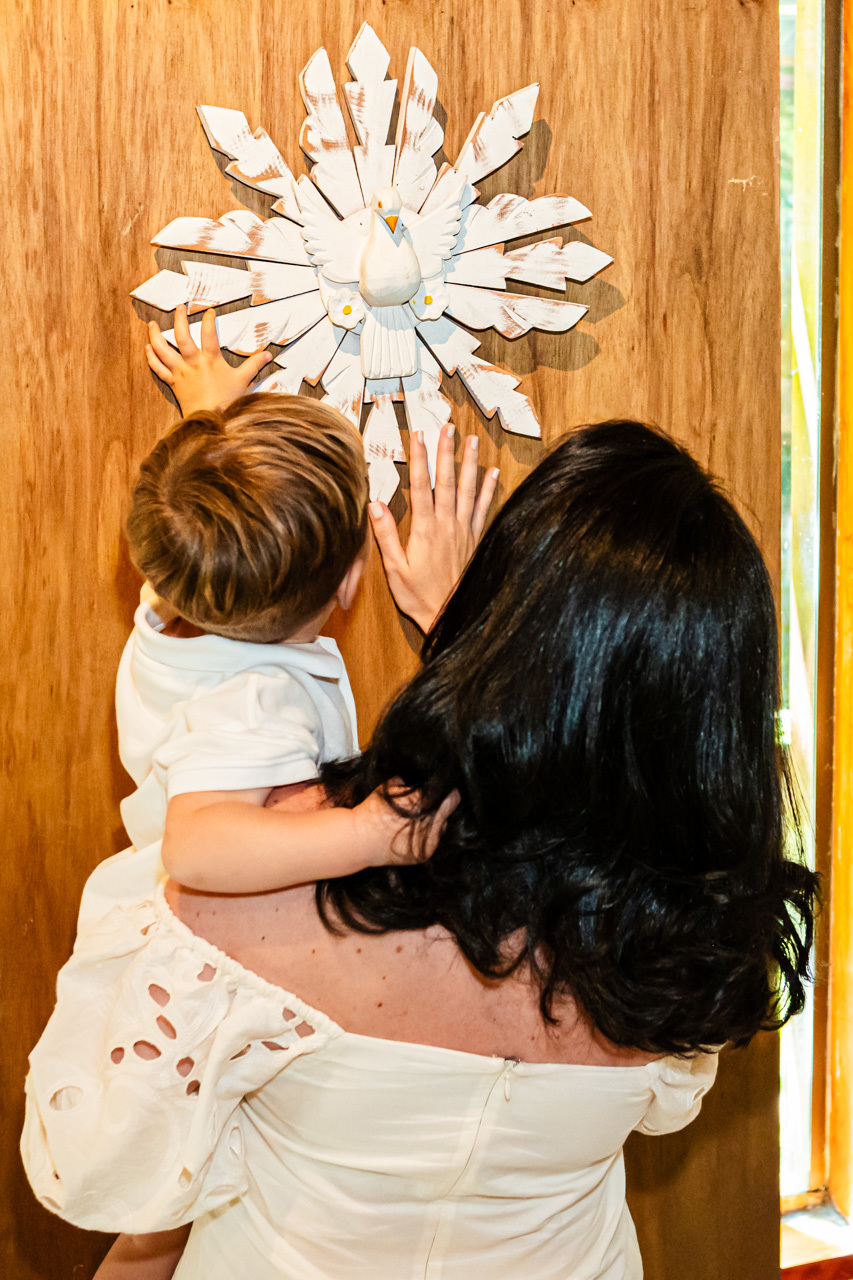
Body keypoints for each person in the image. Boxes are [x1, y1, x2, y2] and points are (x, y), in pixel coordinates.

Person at [22, 418, 817, 1279]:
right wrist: (484, 646)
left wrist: (474, 644)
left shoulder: (267, 878)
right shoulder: (691, 929)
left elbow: (133, 1186)